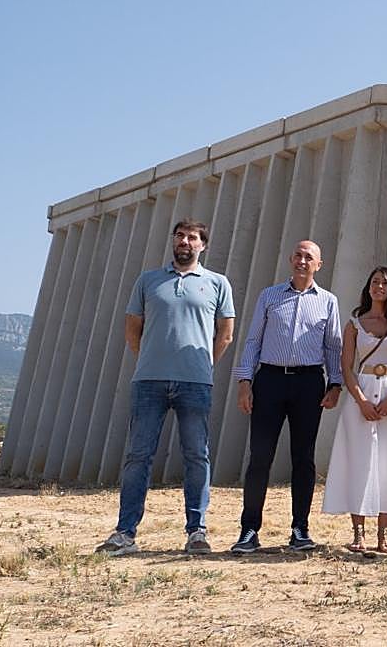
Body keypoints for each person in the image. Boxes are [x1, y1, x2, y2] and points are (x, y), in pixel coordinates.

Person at [96, 220, 235, 556]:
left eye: (192, 237)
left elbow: (225, 333)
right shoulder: (148, 280)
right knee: (138, 457)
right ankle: (125, 534)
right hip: (149, 382)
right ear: (173, 241)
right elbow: (133, 328)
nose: (185, 241)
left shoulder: (217, 283)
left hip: (195, 383)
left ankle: (196, 533)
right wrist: (149, 360)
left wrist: (203, 365)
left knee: (196, 456)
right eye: (180, 236)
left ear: (203, 244)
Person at [229, 240, 343, 554]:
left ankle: (300, 529)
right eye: (298, 255)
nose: (302, 261)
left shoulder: (328, 302)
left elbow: (333, 346)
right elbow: (253, 340)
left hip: (309, 384)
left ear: (319, 264)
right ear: (290, 259)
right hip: (270, 380)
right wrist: (244, 380)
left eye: (309, 257)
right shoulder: (269, 296)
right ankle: (249, 529)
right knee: (260, 457)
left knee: (303, 458)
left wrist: (335, 385)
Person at [322, 266, 387, 555]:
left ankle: (383, 535)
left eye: (384, 284)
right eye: (375, 282)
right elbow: (347, 366)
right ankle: (358, 532)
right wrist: (361, 400)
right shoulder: (355, 323)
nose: (379, 287)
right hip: (362, 391)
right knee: (359, 460)